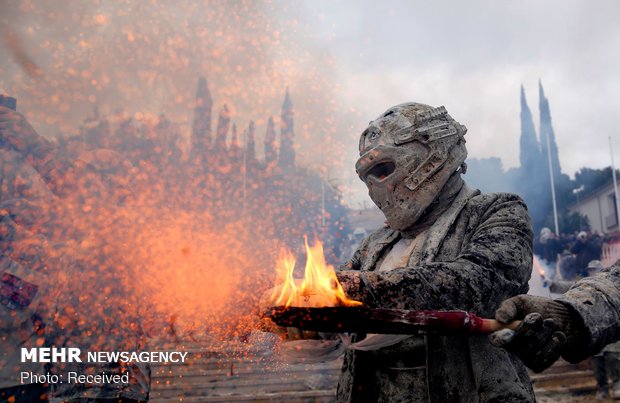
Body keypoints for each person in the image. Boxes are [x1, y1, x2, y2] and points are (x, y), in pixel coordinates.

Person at [327, 103, 535, 402]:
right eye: (366, 177)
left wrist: (356, 287)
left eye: (382, 169)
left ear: (432, 157)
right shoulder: (375, 243)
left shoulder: (495, 211)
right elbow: (337, 307)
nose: (374, 186)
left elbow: (478, 281)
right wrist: (309, 322)